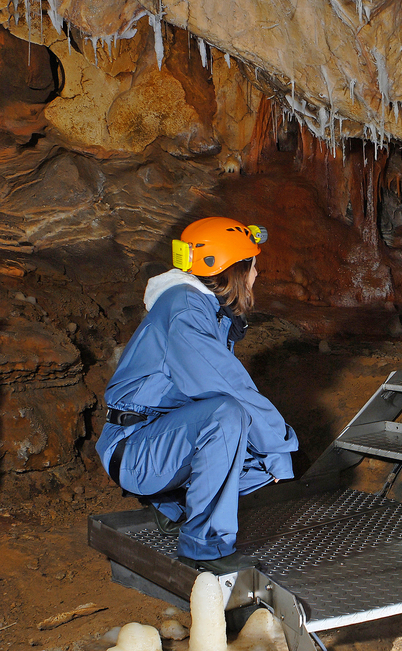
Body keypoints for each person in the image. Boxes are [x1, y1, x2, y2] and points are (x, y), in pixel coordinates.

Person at [97, 217, 297, 574]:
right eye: (253, 268)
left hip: (155, 439)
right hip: (133, 448)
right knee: (229, 416)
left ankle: (172, 506)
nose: (256, 276)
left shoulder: (203, 311)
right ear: (234, 271)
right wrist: (278, 446)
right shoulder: (186, 309)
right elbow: (229, 387)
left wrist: (269, 450)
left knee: (249, 451)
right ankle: (206, 547)